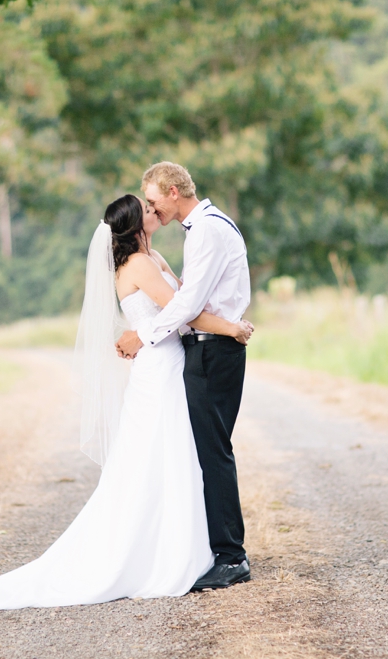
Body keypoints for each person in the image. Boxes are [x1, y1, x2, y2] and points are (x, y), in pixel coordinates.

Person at [0, 193, 252, 610]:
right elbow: (185, 311)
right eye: (146, 207)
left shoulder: (152, 257)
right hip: (159, 367)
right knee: (159, 455)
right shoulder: (139, 265)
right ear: (135, 224)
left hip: (165, 361)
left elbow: (186, 300)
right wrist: (232, 328)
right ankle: (162, 551)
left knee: (171, 455)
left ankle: (186, 544)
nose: (153, 208)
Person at [116, 161, 252, 591]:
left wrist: (143, 334)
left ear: (173, 191)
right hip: (205, 348)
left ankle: (231, 558)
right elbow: (186, 301)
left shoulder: (208, 229)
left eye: (154, 201)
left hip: (213, 352)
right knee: (205, 453)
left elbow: (188, 302)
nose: (152, 210)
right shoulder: (200, 230)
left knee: (213, 453)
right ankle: (215, 550)